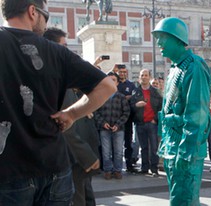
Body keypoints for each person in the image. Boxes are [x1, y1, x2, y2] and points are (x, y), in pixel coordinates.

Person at [0, 0, 116, 205]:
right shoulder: (56, 51)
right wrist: (71, 114)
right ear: (32, 12)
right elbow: (107, 86)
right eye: (46, 16)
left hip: (9, 168)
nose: (46, 25)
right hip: (53, 163)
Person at [153, 17, 211, 205]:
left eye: (163, 37)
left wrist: (187, 151)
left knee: (184, 200)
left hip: (185, 149)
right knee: (177, 199)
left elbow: (198, 115)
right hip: (173, 146)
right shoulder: (175, 67)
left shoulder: (194, 66)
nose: (159, 42)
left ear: (177, 39)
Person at [43, 27, 101, 205]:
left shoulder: (61, 74)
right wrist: (87, 157)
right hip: (74, 158)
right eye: (64, 45)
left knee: (87, 197)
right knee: (79, 200)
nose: (67, 50)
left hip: (80, 156)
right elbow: (65, 124)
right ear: (54, 47)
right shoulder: (54, 78)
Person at [95, 72, 130, 179]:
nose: (111, 82)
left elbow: (126, 112)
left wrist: (118, 124)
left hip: (118, 129)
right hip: (104, 128)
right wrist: (103, 123)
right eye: (109, 80)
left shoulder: (121, 97)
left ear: (117, 83)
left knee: (119, 151)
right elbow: (96, 112)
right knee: (106, 152)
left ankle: (118, 170)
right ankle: (107, 170)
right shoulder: (101, 96)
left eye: (113, 80)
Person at [130, 69, 163, 176]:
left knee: (154, 147)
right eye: (142, 75)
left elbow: (161, 108)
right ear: (139, 77)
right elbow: (130, 107)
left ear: (149, 77)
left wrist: (155, 119)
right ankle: (144, 168)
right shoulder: (136, 91)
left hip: (152, 123)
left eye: (146, 75)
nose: (144, 77)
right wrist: (136, 105)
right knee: (143, 148)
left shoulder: (155, 92)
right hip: (140, 123)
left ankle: (154, 168)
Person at [117, 65, 138, 173]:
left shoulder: (131, 85)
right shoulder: (115, 83)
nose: (122, 74)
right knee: (116, 144)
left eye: (124, 72)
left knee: (128, 143)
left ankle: (129, 165)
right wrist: (125, 97)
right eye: (120, 72)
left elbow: (134, 98)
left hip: (128, 118)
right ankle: (117, 167)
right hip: (116, 118)